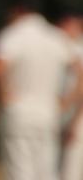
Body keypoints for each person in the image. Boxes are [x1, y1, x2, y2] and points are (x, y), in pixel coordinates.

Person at [0, 0, 83, 180]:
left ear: (17, 11)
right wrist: (64, 102)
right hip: (49, 111)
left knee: (20, 169)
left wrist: (4, 96)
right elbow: (80, 72)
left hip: (20, 110)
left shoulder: (12, 35)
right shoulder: (56, 36)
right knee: (46, 170)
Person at [60, 13, 83, 180]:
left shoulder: (77, 50)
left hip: (76, 114)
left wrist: (75, 121)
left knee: (71, 168)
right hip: (71, 113)